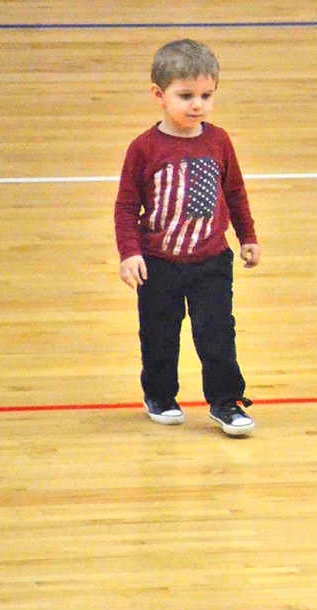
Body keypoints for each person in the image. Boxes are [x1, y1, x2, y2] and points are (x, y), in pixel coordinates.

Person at [114, 38, 260, 437]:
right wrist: (130, 253)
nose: (197, 105)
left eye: (206, 95)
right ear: (159, 96)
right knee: (159, 334)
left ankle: (226, 401)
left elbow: (235, 192)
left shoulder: (219, 141)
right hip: (158, 263)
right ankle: (159, 395)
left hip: (211, 261)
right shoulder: (143, 149)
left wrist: (247, 236)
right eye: (186, 96)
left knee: (217, 333)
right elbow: (126, 207)